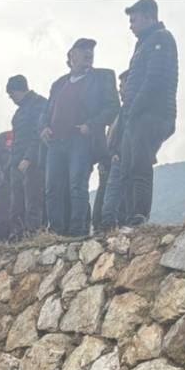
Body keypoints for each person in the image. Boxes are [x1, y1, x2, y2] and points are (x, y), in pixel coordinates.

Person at [40, 38, 120, 237]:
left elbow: (112, 108)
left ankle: (78, 230)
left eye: (91, 50)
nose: (88, 53)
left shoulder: (102, 77)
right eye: (83, 49)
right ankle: (56, 231)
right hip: (55, 141)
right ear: (70, 55)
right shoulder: (59, 83)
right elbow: (45, 112)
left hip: (80, 139)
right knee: (52, 188)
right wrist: (42, 128)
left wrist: (91, 125)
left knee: (77, 184)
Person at [117, 0, 179, 225]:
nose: (130, 25)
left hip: (151, 115)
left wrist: (133, 109)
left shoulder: (161, 39)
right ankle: (125, 218)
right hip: (135, 116)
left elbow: (155, 80)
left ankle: (138, 218)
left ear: (149, 16)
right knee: (126, 170)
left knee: (139, 166)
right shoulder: (144, 44)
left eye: (133, 20)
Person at [6, 76, 48, 239]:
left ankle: (34, 235)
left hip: (33, 162)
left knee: (33, 201)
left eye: (12, 95)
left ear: (19, 90)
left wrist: (29, 157)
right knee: (16, 205)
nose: (12, 99)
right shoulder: (19, 113)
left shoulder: (39, 104)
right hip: (16, 163)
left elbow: (37, 134)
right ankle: (17, 237)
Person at [95, 71, 130, 231]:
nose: (120, 91)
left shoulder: (130, 112)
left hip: (120, 160)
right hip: (109, 161)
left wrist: (115, 153)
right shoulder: (120, 113)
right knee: (105, 197)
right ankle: (103, 226)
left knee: (116, 198)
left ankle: (110, 225)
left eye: (122, 86)